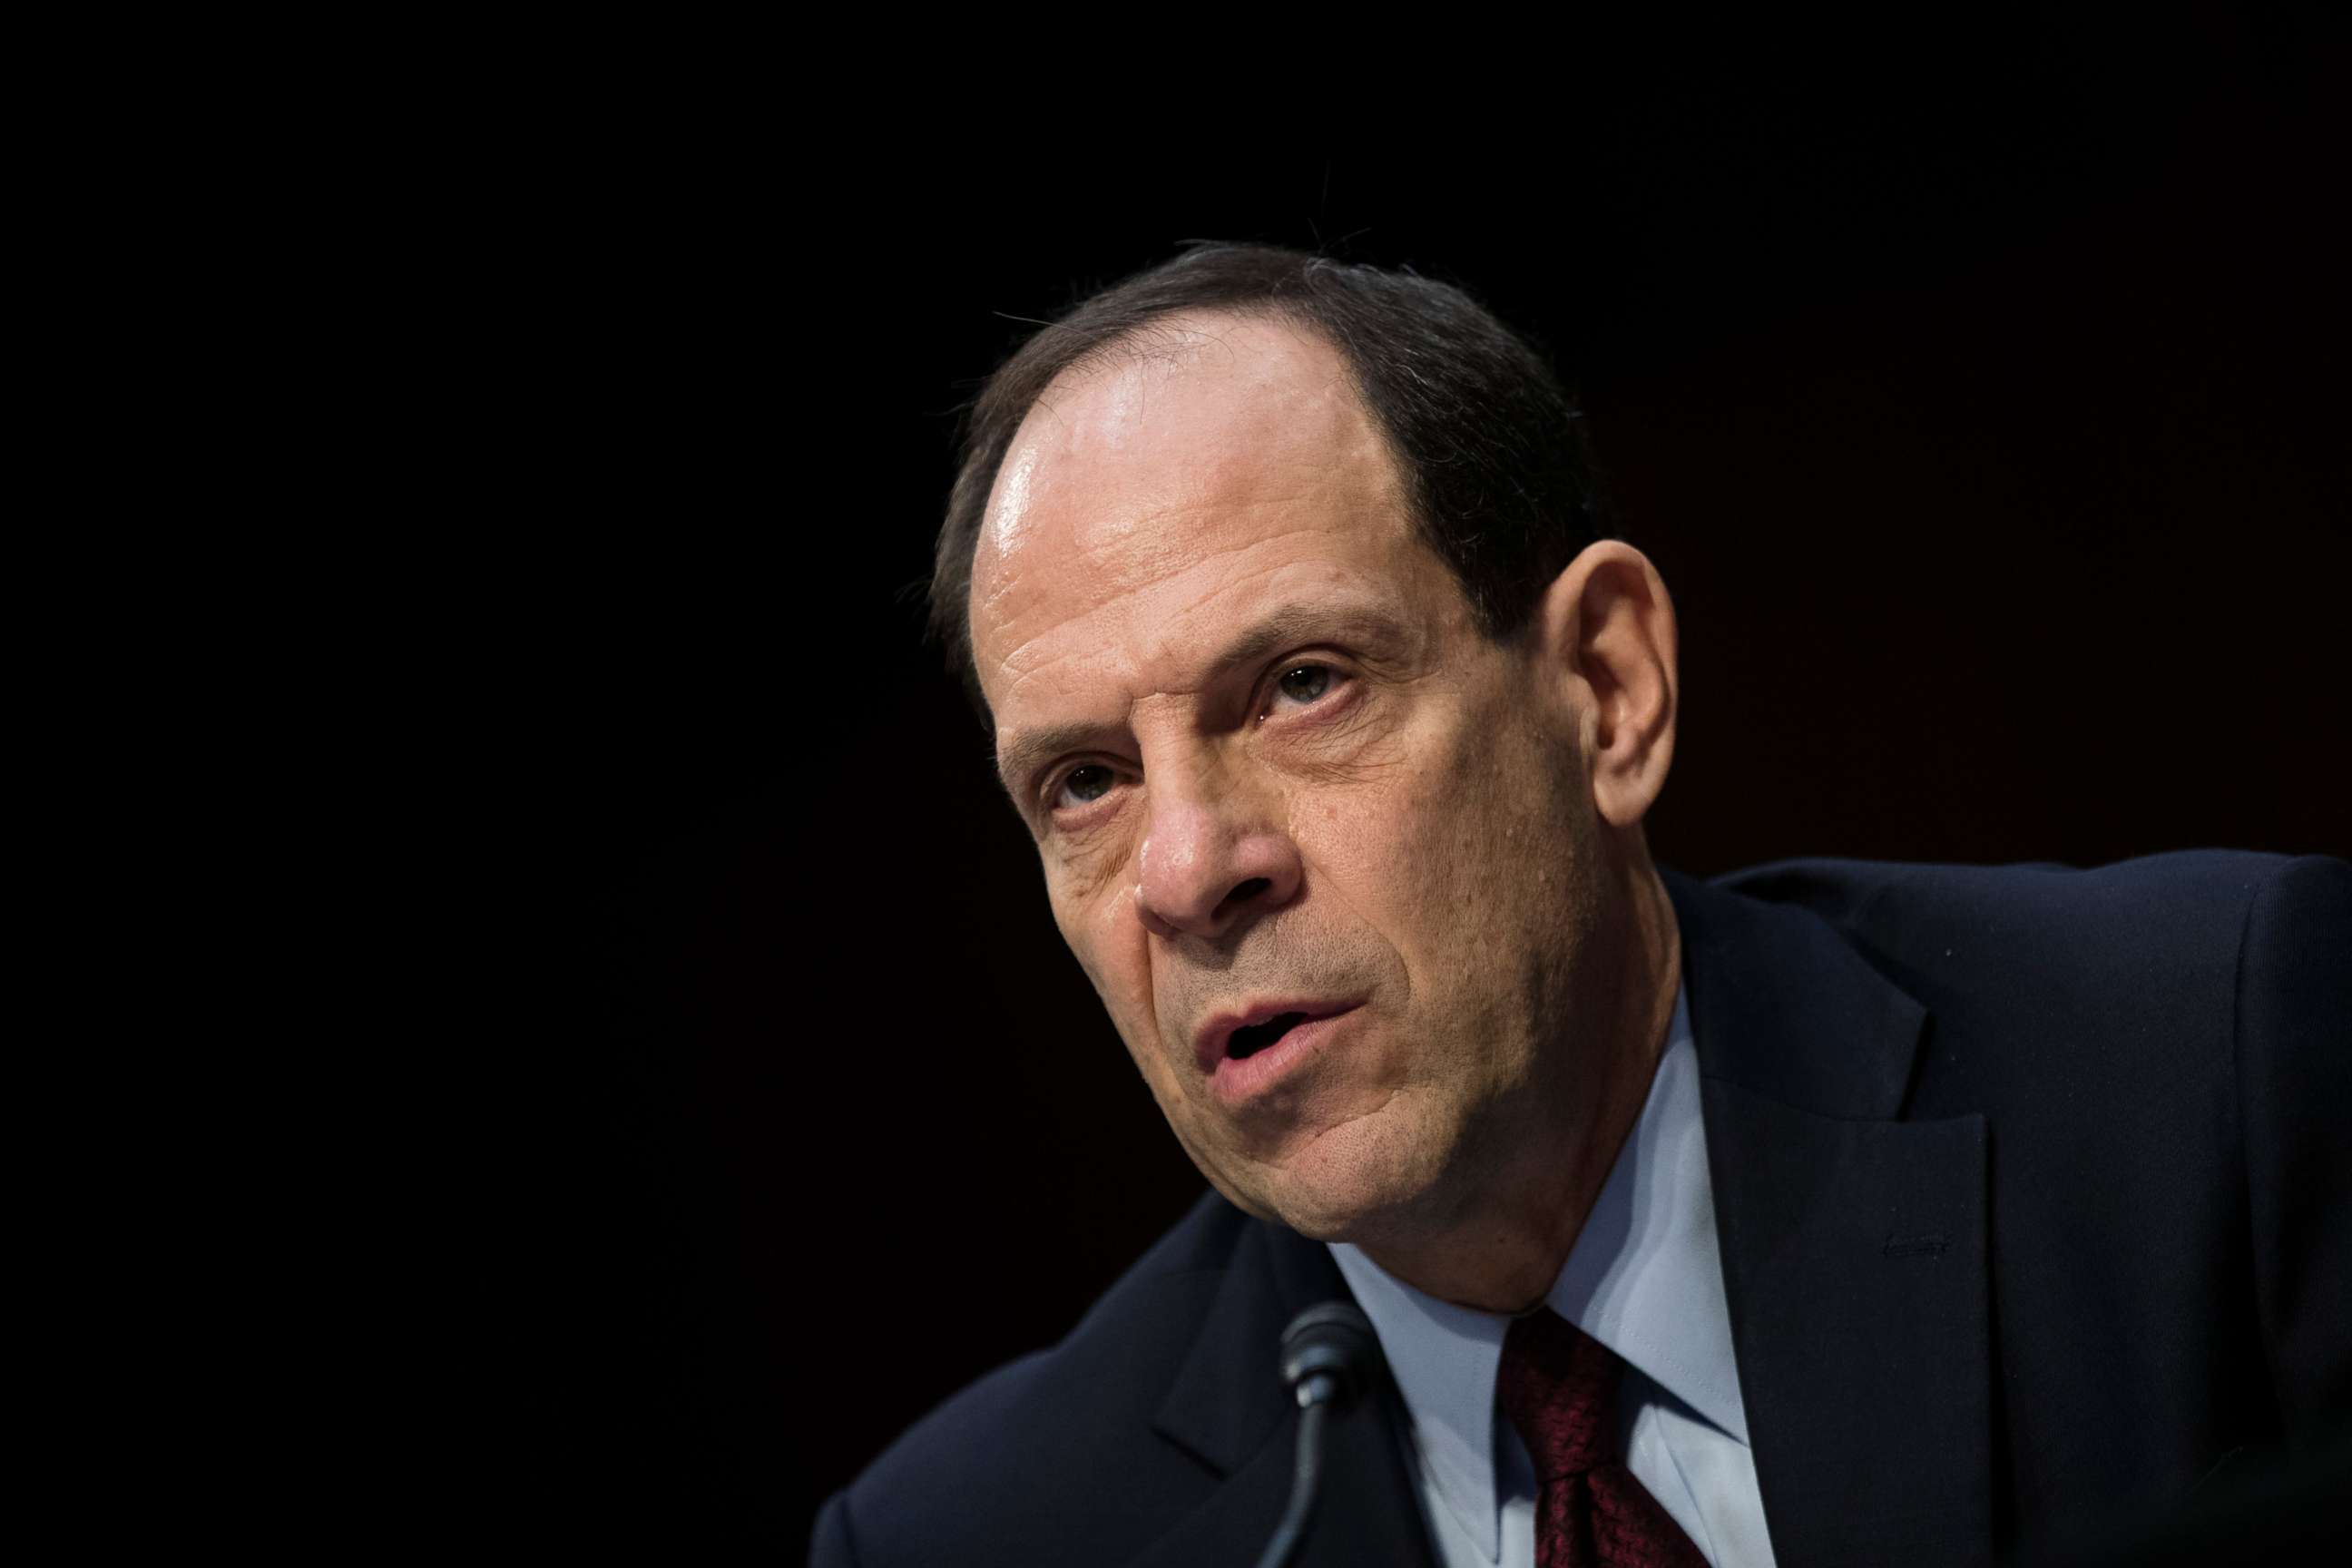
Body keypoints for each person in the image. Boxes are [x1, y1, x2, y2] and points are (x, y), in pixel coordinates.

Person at [808, 244, 2348, 1566]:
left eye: (1301, 686)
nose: (1190, 871)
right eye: (1085, 782)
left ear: (1606, 689)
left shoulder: (2211, 1087)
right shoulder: (988, 1534)